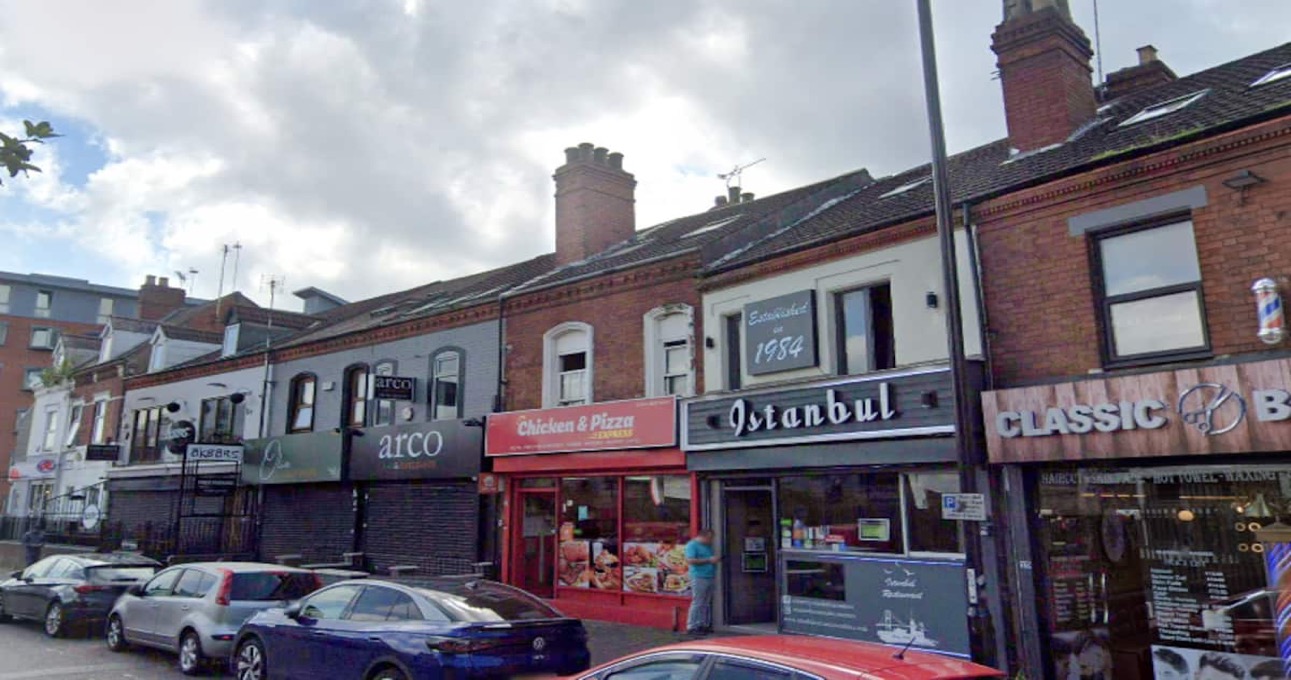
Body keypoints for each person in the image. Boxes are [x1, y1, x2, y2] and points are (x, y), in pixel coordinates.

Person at [684, 528, 720, 636]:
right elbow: (690, 560)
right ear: (703, 536)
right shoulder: (692, 545)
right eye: (710, 538)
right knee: (698, 601)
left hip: (710, 576)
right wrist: (709, 560)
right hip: (699, 576)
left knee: (706, 602)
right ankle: (692, 626)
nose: (711, 540)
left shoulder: (708, 546)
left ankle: (702, 624)